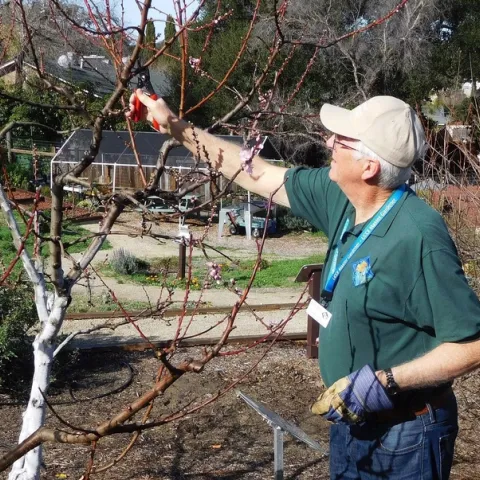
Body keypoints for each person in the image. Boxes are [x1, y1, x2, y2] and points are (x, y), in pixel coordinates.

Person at [128, 91, 480, 479]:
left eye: (341, 141)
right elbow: (255, 172)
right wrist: (173, 125)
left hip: (406, 435)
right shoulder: (342, 199)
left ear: (368, 167)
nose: (329, 143)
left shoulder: (419, 235)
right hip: (351, 424)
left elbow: (471, 344)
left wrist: (387, 382)